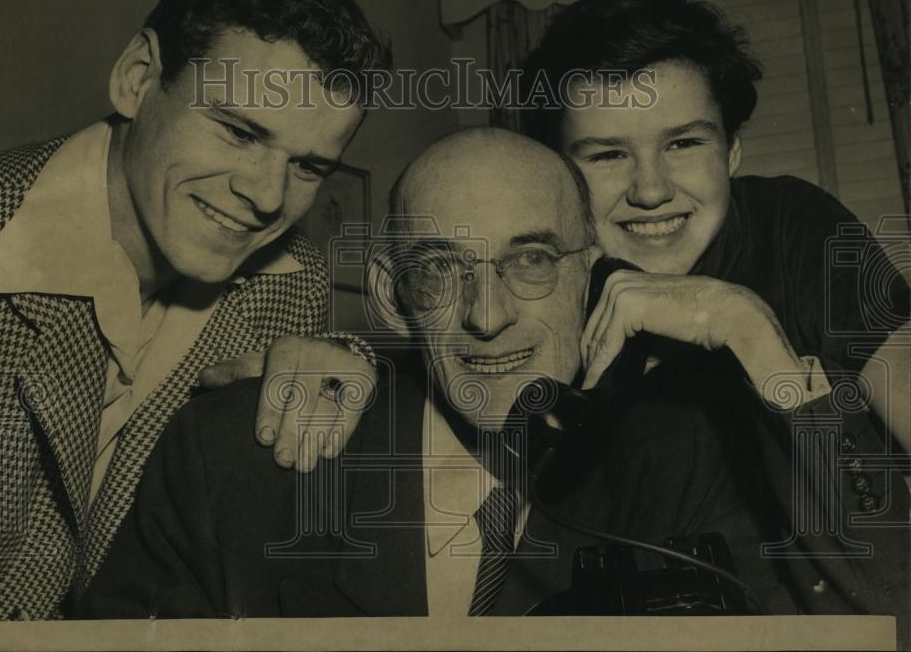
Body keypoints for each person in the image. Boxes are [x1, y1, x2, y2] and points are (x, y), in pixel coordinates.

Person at [77, 129, 906, 624]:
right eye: (441, 269)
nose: (487, 314)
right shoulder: (241, 457)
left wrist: (754, 336)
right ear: (390, 295)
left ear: (596, 276)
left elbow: (883, 612)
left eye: (533, 260)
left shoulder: (683, 456)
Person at [0, 0, 390, 620]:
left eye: (308, 167)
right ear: (136, 76)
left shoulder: (291, 279)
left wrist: (346, 361)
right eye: (239, 132)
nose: (269, 196)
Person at [521, 0, 911, 457]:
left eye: (683, 144)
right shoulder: (528, 291)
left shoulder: (795, 225)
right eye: (608, 155)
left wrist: (745, 327)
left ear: (731, 153)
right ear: (555, 176)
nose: (651, 191)